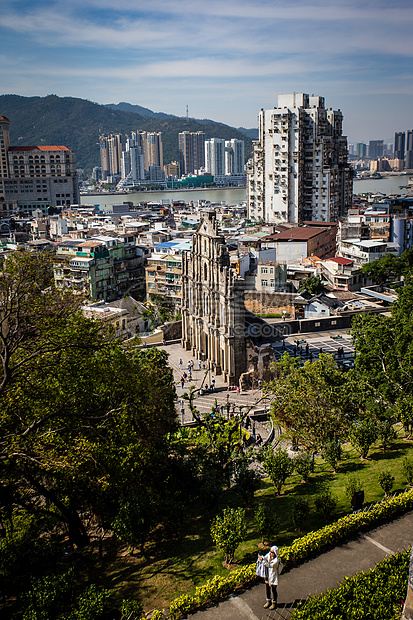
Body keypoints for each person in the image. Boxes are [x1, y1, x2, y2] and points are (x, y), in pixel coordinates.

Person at [258, 546, 280, 610]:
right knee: (267, 589)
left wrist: (263, 560)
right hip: (268, 576)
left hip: (273, 577)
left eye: (272, 552)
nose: (270, 553)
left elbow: (269, 565)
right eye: (270, 551)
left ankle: (274, 603)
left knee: (273, 590)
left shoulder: (276, 561)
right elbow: (265, 558)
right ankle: (268, 601)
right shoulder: (269, 555)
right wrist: (261, 557)